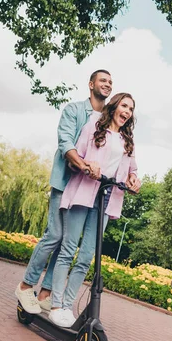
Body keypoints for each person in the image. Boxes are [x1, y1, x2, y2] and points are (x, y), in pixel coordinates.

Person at [16, 70, 140, 313]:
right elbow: (67, 144)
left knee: (68, 243)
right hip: (67, 181)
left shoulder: (109, 119)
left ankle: (46, 293)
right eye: (103, 80)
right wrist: (84, 165)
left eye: (111, 82)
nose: (107, 84)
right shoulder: (75, 111)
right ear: (91, 84)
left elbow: (121, 158)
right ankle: (25, 286)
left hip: (91, 188)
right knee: (56, 236)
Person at [48, 92, 140, 327]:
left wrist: (133, 180)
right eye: (124, 106)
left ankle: (67, 306)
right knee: (68, 249)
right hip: (83, 191)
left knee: (86, 256)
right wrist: (87, 164)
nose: (127, 112)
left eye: (131, 109)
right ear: (114, 106)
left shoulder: (126, 141)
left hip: (106, 197)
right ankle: (55, 304)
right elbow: (73, 159)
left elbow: (132, 169)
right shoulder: (93, 127)